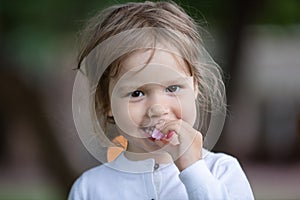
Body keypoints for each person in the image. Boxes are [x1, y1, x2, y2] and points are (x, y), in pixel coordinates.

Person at [69, 1, 254, 199]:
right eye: (137, 93)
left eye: (172, 88)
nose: (157, 109)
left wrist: (193, 170)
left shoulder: (222, 172)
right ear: (107, 104)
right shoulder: (89, 189)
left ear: (195, 88)